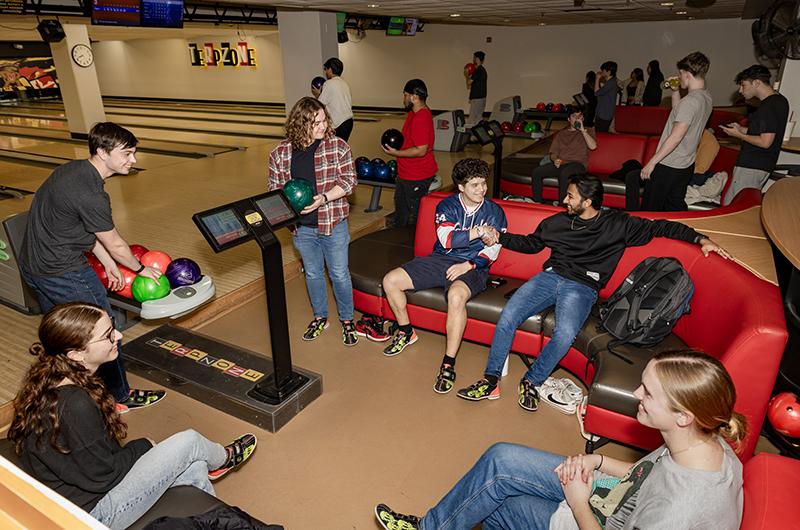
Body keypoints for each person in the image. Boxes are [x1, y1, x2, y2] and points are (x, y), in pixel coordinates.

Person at [374, 350, 747, 530]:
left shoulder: (681, 513)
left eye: (647, 393)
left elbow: (662, 499)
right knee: (501, 458)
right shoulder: (699, 438)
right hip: (613, 499)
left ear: (683, 415)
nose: (635, 394)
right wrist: (597, 462)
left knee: (499, 508)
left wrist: (579, 502)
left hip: (599, 518)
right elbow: (647, 477)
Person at [455, 174, 730, 411]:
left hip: (583, 286)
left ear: (587, 202)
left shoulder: (618, 224)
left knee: (564, 334)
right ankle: (490, 380)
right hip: (550, 278)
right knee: (508, 316)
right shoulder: (557, 223)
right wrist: (500, 236)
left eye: (571, 196)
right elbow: (532, 245)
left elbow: (661, 226)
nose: (564, 200)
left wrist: (700, 239)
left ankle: (532, 381)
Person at [8, 303, 258, 530]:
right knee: (189, 442)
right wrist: (144, 445)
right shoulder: (75, 405)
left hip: (77, 496)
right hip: (92, 515)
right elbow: (102, 477)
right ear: (76, 354)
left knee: (195, 466)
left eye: (113, 327)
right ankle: (224, 458)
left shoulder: (50, 378)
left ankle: (209, 518)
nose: (118, 335)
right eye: (107, 335)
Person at [18, 121, 165, 414]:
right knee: (103, 331)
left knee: (64, 337)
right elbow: (115, 243)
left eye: (134, 152)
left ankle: (67, 392)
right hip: (64, 272)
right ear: (101, 151)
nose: (133, 160)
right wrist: (139, 269)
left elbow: (81, 229)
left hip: (35, 267)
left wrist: (109, 265)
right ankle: (117, 395)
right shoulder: (91, 193)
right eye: (126, 153)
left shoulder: (72, 171)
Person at [380, 159, 507, 393]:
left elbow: (493, 250)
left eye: (483, 184)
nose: (482, 190)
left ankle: (448, 363)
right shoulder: (446, 206)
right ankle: (406, 332)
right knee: (390, 280)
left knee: (457, 296)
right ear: (461, 187)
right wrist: (479, 231)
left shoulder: (495, 212)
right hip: (441, 259)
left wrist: (468, 264)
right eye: (475, 185)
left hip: (474, 267)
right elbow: (447, 240)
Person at [268, 96, 358, 345]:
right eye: (316, 122)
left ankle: (347, 320)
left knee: (339, 274)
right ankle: (320, 317)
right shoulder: (280, 154)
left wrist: (324, 199)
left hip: (333, 223)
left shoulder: (338, 146)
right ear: (300, 124)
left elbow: (349, 182)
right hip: (302, 228)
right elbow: (275, 192)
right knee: (313, 274)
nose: (323, 126)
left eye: (324, 120)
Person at [638, 52, 713, 211]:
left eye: (681, 73)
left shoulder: (690, 101)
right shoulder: (706, 97)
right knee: (673, 207)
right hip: (685, 164)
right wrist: (675, 91)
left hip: (669, 164)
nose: (679, 77)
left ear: (688, 74)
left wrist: (652, 162)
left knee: (650, 209)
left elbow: (676, 136)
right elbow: (679, 113)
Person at [720, 64, 789, 205]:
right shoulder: (780, 100)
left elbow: (765, 142)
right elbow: (766, 132)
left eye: (743, 85)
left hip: (752, 166)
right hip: (763, 165)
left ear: (757, 83)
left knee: (733, 207)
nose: (740, 90)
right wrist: (741, 129)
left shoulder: (767, 107)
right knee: (745, 205)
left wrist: (739, 136)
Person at [383, 79, 439, 228]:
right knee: (401, 212)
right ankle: (399, 238)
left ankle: (417, 244)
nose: (404, 99)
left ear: (413, 97)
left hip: (417, 175)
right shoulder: (413, 114)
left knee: (417, 216)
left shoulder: (421, 118)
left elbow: (421, 150)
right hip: (406, 173)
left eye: (405, 95)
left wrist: (397, 152)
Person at [531, 108, 597, 204]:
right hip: (561, 163)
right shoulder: (561, 134)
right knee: (537, 172)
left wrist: (583, 130)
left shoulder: (588, 131)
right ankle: (537, 203)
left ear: (582, 119)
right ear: (569, 120)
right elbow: (553, 153)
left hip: (577, 165)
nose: (577, 119)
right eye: (574, 116)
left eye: (579, 116)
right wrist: (555, 159)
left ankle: (563, 205)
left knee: (565, 174)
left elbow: (593, 146)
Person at [313, 57, 353, 142]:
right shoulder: (344, 83)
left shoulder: (329, 83)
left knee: (334, 148)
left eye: (326, 69)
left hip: (340, 124)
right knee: (340, 147)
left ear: (330, 69)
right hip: (348, 122)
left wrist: (317, 94)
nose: (326, 72)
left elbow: (319, 105)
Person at [594, 61, 618, 132]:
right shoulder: (611, 82)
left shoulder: (611, 83)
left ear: (609, 72)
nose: (601, 72)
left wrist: (597, 79)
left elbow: (596, 93)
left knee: (600, 135)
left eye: (603, 70)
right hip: (603, 113)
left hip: (604, 114)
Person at [466, 51, 488, 126]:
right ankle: (478, 136)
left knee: (472, 119)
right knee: (478, 118)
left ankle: (470, 136)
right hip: (482, 98)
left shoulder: (478, 70)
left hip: (477, 98)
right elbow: (471, 85)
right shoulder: (483, 70)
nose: (473, 59)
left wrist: (467, 74)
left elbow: (469, 83)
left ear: (478, 59)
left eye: (474, 58)